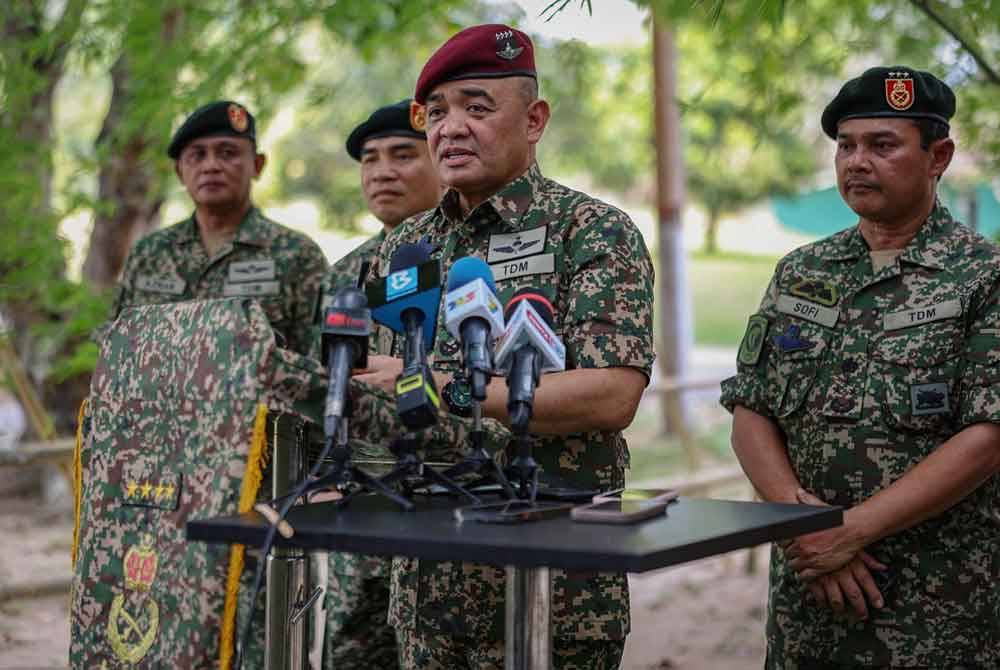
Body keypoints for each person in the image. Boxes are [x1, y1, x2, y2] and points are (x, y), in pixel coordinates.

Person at [354, 24, 655, 670]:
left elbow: (612, 394)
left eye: (476, 107)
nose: (450, 129)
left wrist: (442, 387)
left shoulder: (593, 231)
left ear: (535, 118)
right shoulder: (405, 247)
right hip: (428, 595)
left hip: (554, 593)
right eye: (436, 114)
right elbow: (386, 389)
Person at [721, 66, 1000, 669]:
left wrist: (848, 533)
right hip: (808, 607)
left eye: (882, 145)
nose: (856, 162)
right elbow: (751, 410)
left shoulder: (984, 275)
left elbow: (987, 438)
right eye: (845, 146)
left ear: (939, 157)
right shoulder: (802, 270)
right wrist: (806, 527)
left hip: (939, 612)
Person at [315, 99, 441, 670]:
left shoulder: (467, 259)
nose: (381, 172)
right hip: (359, 517)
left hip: (449, 510)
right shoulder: (344, 275)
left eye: (402, 154)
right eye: (369, 159)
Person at [108, 100, 328, 356]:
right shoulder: (148, 255)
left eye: (227, 153)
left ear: (257, 165)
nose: (211, 166)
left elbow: (321, 366)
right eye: (197, 155)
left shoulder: (298, 256)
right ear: (180, 172)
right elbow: (117, 352)